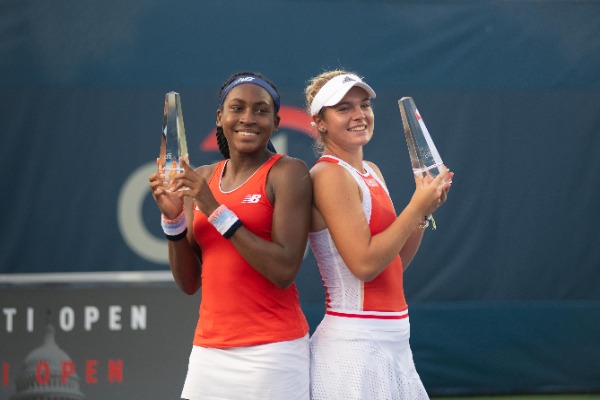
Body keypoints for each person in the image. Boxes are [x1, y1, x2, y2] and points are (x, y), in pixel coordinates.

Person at [149, 71, 312, 400]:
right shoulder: (204, 177)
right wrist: (174, 221)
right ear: (220, 118)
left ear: (276, 122)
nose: (248, 119)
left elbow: (283, 271)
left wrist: (215, 209)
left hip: (273, 352)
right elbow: (189, 282)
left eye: (261, 110)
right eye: (237, 108)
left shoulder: (288, 173)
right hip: (208, 352)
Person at [304, 70, 454, 400]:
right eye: (344, 108)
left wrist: (424, 211)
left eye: (364, 105)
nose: (359, 115)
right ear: (320, 122)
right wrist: (416, 207)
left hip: (393, 341)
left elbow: (394, 261)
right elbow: (365, 264)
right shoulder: (328, 175)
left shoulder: (371, 171)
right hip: (354, 349)